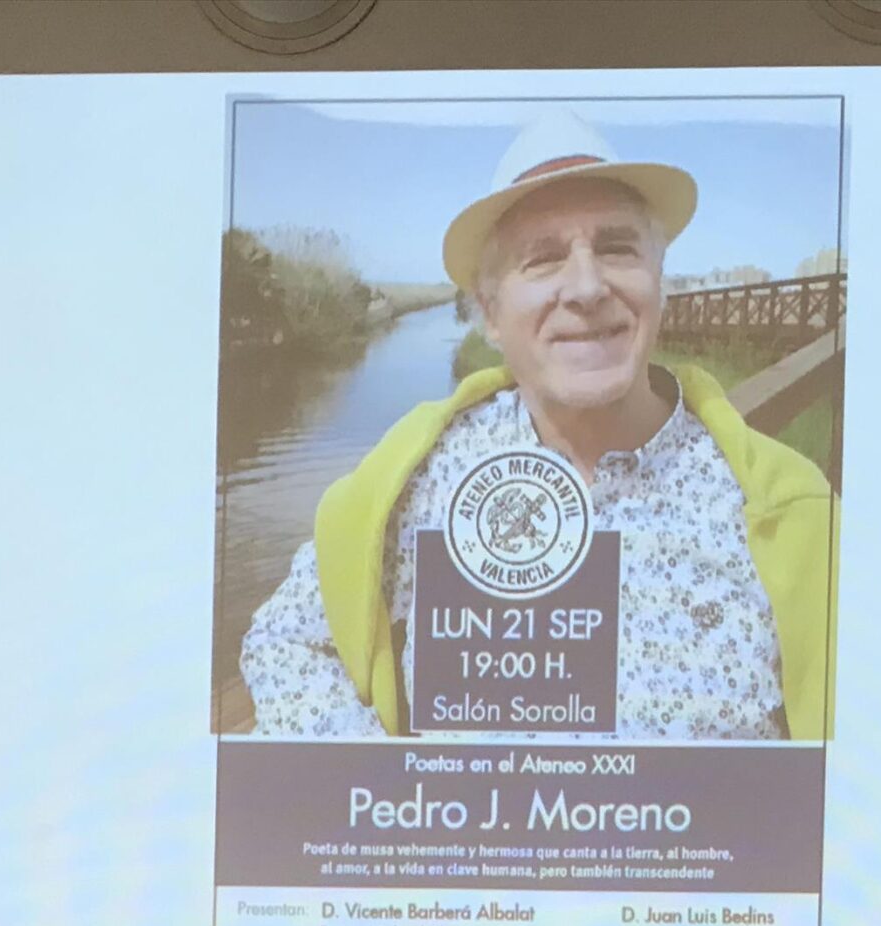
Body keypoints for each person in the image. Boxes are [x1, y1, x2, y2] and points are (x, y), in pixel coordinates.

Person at [239, 108, 837, 741]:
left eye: (616, 248)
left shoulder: (780, 508)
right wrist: (382, 785)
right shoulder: (424, 477)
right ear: (491, 314)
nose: (586, 287)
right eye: (544, 259)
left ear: (658, 282)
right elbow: (286, 642)